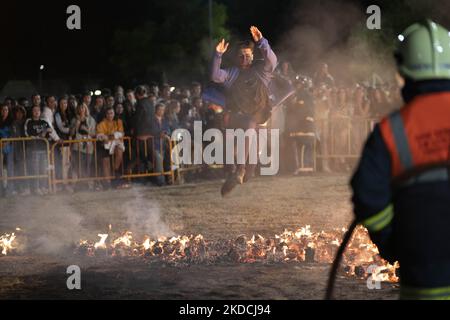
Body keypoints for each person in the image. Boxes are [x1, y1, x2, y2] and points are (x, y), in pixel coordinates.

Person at [351, 20, 450, 299]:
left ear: (402, 69)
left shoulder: (392, 130)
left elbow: (368, 195)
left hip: (427, 279)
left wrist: (390, 242)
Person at [211, 26, 277, 196]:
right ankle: (238, 170)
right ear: (237, 58)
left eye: (247, 55)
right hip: (242, 119)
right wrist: (218, 55)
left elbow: (272, 61)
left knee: (250, 174)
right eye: (241, 56)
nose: (244, 58)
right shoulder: (233, 73)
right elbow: (216, 76)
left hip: (261, 119)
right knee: (248, 126)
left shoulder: (261, 71)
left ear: (252, 57)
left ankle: (239, 175)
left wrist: (262, 42)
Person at [24, 105, 60, 195]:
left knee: (43, 169)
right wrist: (42, 133)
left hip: (43, 149)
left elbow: (51, 130)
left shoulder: (44, 121)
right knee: (35, 170)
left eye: (38, 110)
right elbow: (27, 134)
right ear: (32, 112)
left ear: (40, 112)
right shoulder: (29, 122)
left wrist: (53, 135)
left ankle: (43, 187)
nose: (36, 112)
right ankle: (36, 188)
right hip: (33, 149)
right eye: (34, 110)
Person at [96, 107, 128, 189]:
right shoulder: (101, 124)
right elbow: (99, 135)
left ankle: (115, 172)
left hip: (116, 144)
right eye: (108, 113)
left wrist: (111, 136)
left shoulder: (118, 122)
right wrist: (107, 137)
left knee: (119, 153)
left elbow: (121, 133)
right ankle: (107, 182)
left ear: (114, 114)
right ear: (106, 114)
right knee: (106, 162)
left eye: (112, 113)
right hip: (105, 146)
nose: (110, 115)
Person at [70, 103, 97, 190]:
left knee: (87, 165)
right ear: (77, 109)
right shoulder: (74, 120)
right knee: (78, 165)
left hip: (88, 146)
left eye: (83, 107)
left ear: (86, 109)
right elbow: (71, 133)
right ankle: (80, 184)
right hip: (77, 145)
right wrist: (76, 125)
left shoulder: (91, 120)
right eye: (80, 107)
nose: (82, 109)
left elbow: (93, 134)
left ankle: (86, 184)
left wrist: (86, 130)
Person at [54, 96, 73, 191]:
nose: (63, 105)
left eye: (65, 103)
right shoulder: (57, 115)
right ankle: (63, 183)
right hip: (63, 141)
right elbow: (61, 127)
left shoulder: (69, 113)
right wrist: (71, 130)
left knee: (68, 163)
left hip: (70, 141)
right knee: (64, 163)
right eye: (61, 103)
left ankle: (67, 182)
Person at [0, 103, 15, 196]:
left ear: (8, 111)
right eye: (2, 110)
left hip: (9, 147)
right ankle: (2, 190)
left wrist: (8, 141)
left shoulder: (11, 121)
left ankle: (10, 189)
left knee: (10, 168)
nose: (4, 111)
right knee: (0, 169)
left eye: (6, 110)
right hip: (0, 147)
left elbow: (13, 134)